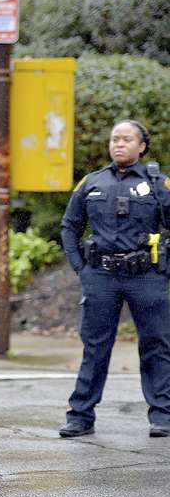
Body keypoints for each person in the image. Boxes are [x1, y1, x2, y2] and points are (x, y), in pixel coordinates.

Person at [59, 119, 170, 439]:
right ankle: (80, 415)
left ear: (142, 146)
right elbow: (70, 227)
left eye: (126, 139)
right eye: (114, 139)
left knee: (157, 345)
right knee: (95, 347)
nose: (118, 144)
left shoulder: (159, 184)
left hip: (146, 276)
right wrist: (80, 267)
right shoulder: (91, 183)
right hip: (101, 275)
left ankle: (162, 414)